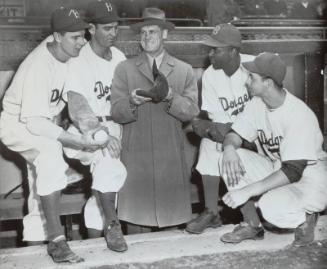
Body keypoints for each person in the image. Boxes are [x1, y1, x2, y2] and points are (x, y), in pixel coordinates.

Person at [0, 7, 108, 263]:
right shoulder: (39, 65)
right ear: (57, 36)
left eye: (83, 35)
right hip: (17, 124)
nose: (82, 42)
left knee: (41, 187)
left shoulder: (70, 55)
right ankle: (57, 241)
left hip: (42, 121)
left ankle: (32, 251)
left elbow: (75, 97)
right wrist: (75, 140)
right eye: (75, 37)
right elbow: (35, 124)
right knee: (49, 156)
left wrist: (90, 126)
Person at [219, 52, 327, 246]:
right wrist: (229, 149)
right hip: (278, 169)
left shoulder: (298, 114)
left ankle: (306, 217)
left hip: (308, 180)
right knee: (228, 157)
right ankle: (252, 224)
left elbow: (293, 171)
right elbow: (234, 134)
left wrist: (247, 191)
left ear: (268, 83)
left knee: (270, 209)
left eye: (252, 77)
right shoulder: (257, 104)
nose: (247, 81)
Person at [111, 7, 199, 232]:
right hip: (136, 158)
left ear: (165, 35)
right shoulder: (124, 69)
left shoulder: (184, 70)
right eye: (143, 32)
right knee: (135, 228)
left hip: (170, 156)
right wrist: (132, 103)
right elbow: (116, 112)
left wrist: (171, 97)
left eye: (153, 31)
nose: (147, 36)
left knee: (170, 230)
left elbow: (191, 112)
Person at [63, 0, 127, 252]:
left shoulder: (119, 57)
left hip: (114, 126)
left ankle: (91, 244)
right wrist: (101, 135)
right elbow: (78, 107)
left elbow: (123, 101)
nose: (113, 33)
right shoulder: (78, 60)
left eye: (115, 27)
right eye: (107, 28)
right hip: (83, 131)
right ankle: (113, 226)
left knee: (104, 186)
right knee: (108, 160)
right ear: (91, 28)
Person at [185, 24, 254, 234]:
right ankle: (212, 211)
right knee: (209, 143)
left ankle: (251, 218)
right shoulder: (210, 75)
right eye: (210, 48)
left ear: (233, 51)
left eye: (216, 49)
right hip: (233, 132)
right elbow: (219, 124)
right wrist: (212, 131)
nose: (210, 53)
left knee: (224, 145)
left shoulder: (255, 66)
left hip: (259, 133)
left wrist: (225, 131)